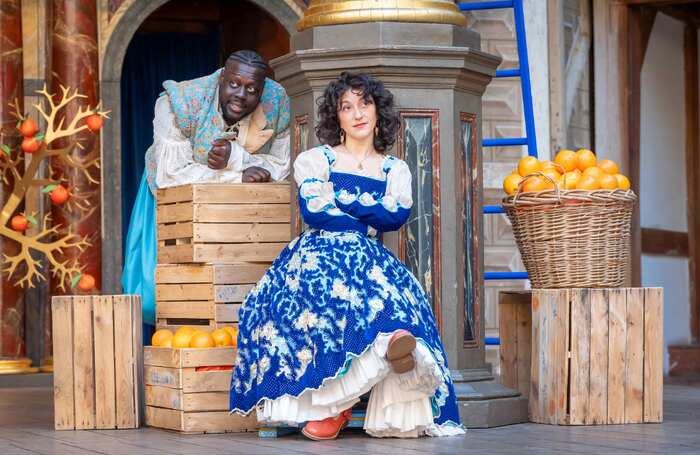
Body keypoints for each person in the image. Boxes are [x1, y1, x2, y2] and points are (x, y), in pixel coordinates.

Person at [230, 72, 465, 439]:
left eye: (365, 104)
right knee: (319, 301)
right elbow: (316, 212)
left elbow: (396, 216)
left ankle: (389, 348)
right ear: (336, 117)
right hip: (317, 253)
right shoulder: (316, 159)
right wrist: (366, 211)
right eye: (346, 107)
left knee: (393, 300)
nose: (357, 114)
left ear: (377, 111)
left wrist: (342, 203)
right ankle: (344, 394)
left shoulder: (394, 168)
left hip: (367, 255)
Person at [122, 50, 291, 329]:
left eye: (252, 89)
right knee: (160, 295)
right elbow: (170, 174)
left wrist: (236, 157)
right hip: (171, 202)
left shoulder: (277, 103)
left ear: (262, 91)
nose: (240, 95)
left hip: (235, 209)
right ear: (222, 77)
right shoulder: (177, 102)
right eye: (234, 84)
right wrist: (236, 175)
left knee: (232, 293)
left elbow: (282, 167)